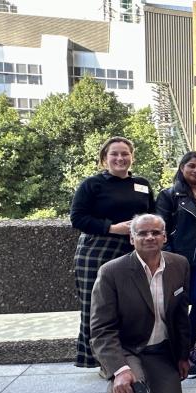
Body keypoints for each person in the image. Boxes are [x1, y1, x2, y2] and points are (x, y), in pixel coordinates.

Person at [90, 214, 191, 393]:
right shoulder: (111, 272)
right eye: (142, 233)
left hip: (161, 349)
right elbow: (101, 329)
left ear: (164, 237)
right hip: (128, 348)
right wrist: (119, 369)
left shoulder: (179, 264)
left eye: (155, 232)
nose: (149, 237)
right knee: (130, 383)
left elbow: (181, 315)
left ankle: (146, 379)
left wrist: (184, 355)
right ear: (131, 238)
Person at [71, 136, 154, 370]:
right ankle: (99, 360)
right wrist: (111, 227)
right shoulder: (92, 184)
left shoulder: (142, 184)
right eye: (114, 154)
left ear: (132, 157)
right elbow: (77, 218)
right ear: (104, 159)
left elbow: (153, 215)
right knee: (95, 306)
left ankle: (127, 357)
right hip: (98, 249)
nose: (120, 158)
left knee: (131, 306)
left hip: (133, 250)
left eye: (125, 153)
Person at [156, 151, 196, 378]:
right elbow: (160, 229)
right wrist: (169, 257)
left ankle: (187, 347)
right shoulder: (169, 195)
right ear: (182, 167)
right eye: (191, 166)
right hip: (177, 259)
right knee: (178, 306)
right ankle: (180, 353)